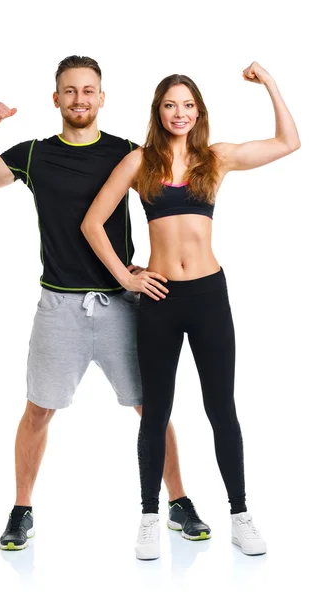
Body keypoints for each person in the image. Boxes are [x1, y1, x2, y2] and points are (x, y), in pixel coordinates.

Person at [0, 55, 210, 551]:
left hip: (122, 304)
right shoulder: (34, 155)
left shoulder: (130, 153)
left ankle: (178, 502)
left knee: (152, 408)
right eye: (70, 91)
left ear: (102, 98)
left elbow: (172, 210)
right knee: (39, 410)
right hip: (59, 308)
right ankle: (21, 509)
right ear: (57, 99)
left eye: (89, 90)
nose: (80, 99)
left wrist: (146, 270)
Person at [81, 61, 300, 559]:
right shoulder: (140, 162)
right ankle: (149, 517)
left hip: (208, 297)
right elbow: (93, 223)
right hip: (159, 300)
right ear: (158, 113)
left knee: (221, 408)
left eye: (187, 105)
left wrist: (269, 82)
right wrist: (126, 276)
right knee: (155, 412)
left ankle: (240, 515)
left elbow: (288, 142)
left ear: (197, 111)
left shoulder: (214, 159)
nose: (179, 112)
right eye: (169, 105)